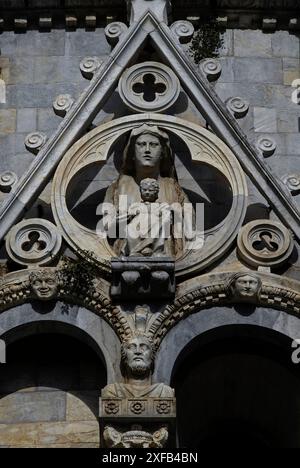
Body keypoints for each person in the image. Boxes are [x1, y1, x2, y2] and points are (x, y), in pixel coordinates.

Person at [104, 124, 191, 258]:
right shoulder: (117, 188)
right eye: (141, 144)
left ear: (163, 152)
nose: (147, 150)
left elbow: (189, 229)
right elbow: (107, 227)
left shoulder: (173, 189)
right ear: (132, 152)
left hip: (164, 254)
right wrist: (125, 218)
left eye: (154, 145)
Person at [101, 334, 174, 398]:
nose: (138, 351)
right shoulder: (112, 392)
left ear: (152, 356)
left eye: (143, 347)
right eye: (132, 347)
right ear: (124, 356)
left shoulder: (164, 392)